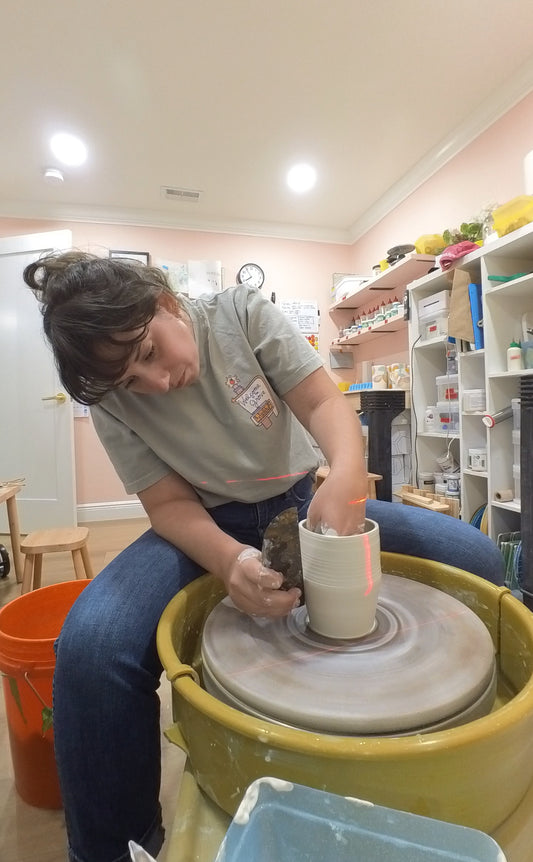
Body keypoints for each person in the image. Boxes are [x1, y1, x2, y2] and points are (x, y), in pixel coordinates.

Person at [24, 251, 504, 862]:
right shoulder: (110, 395)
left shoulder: (240, 315)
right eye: (131, 382)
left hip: (300, 501)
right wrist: (228, 562)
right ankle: (114, 850)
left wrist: (347, 477)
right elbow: (167, 505)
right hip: (203, 521)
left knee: (475, 556)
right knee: (91, 647)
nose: (156, 383)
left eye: (148, 353)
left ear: (165, 302)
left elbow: (324, 405)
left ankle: (472, 758)